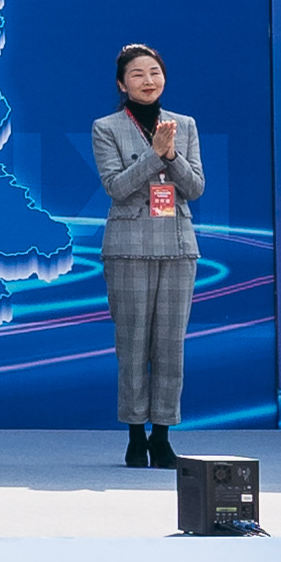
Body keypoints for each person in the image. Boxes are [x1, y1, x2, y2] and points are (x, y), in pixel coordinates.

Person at [96, 42, 205, 468]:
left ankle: (162, 435)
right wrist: (153, 154)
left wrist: (172, 154)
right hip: (128, 249)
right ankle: (134, 434)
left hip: (178, 247)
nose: (148, 81)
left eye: (154, 73)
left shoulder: (184, 125)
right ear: (122, 84)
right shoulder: (106, 127)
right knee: (132, 344)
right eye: (138, 74)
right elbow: (117, 188)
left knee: (171, 346)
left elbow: (194, 187)